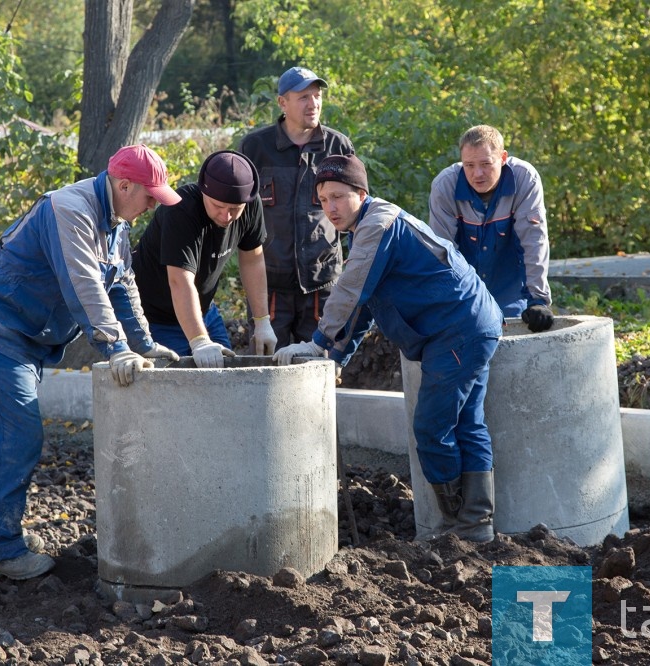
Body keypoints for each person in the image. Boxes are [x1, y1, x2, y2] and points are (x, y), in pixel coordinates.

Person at [0, 144, 182, 580]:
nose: (153, 204)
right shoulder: (69, 209)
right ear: (124, 184)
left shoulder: (115, 221)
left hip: (18, 333)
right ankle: (1, 550)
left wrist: (146, 344)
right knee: (17, 435)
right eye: (150, 195)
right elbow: (84, 285)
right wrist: (116, 347)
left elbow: (122, 284)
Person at [272, 155, 502, 543]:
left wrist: (318, 343)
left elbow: (350, 288)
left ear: (362, 194)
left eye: (339, 197)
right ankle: (476, 526)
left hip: (458, 330)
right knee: (466, 424)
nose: (330, 207)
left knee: (431, 427)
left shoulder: (378, 225)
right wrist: (336, 356)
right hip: (467, 324)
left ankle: (458, 525)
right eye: (324, 199)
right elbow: (364, 306)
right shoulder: (367, 229)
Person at [239, 66, 355, 350]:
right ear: (282, 102)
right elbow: (236, 216)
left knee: (317, 374)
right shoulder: (256, 147)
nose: (313, 103)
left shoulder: (337, 146)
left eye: (317, 96)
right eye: (304, 97)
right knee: (265, 373)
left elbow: (357, 213)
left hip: (322, 286)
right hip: (269, 287)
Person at [132, 150, 276, 367]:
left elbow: (253, 259)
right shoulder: (180, 209)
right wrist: (199, 341)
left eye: (234, 209)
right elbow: (180, 281)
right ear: (203, 192)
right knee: (180, 388)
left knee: (227, 374)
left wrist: (262, 321)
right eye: (218, 206)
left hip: (203, 310)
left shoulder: (250, 204)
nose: (226, 216)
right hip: (155, 317)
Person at [429, 124, 554, 332]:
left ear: (503, 158)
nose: (477, 174)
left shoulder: (524, 179)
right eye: (469, 165)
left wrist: (538, 300)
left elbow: (534, 241)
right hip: (463, 293)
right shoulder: (445, 186)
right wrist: (448, 305)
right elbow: (442, 254)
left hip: (510, 292)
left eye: (486, 163)